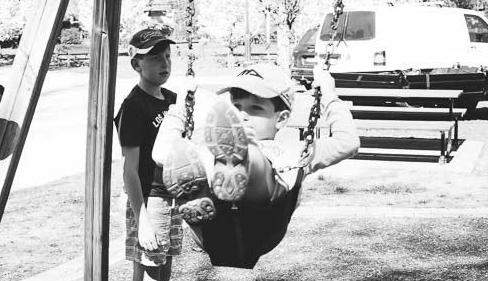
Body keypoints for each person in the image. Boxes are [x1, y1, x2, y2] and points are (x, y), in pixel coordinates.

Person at [154, 61, 360, 268]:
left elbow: (348, 143)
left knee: (252, 156)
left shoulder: (296, 151)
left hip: (264, 226)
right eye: (236, 107)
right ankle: (198, 197)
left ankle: (237, 164)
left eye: (255, 108)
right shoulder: (214, 149)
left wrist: (328, 94)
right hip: (213, 233)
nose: (242, 115)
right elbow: (160, 154)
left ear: (281, 119)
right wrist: (181, 103)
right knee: (187, 155)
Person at [113, 27, 199, 281]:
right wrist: (142, 219)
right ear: (136, 63)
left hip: (171, 199)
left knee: (161, 277)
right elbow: (129, 170)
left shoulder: (172, 99)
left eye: (167, 55)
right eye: (154, 57)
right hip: (149, 203)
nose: (164, 62)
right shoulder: (133, 107)